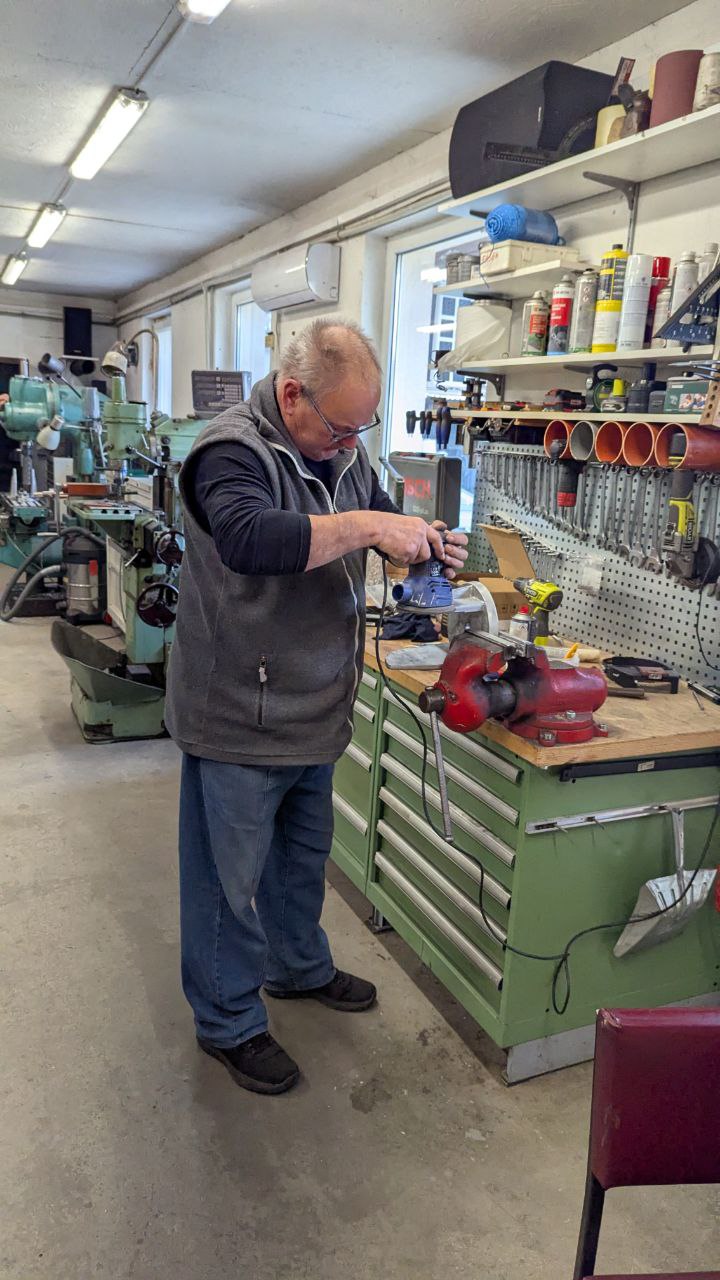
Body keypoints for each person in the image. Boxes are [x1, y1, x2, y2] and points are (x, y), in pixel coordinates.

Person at [165, 319, 468, 1095]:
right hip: (237, 714)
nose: (350, 444)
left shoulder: (345, 451)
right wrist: (370, 525)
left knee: (301, 861)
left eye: (363, 428)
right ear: (292, 394)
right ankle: (228, 1021)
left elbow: (380, 522)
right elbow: (249, 539)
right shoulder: (230, 450)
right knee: (226, 885)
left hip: (315, 706)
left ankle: (296, 967)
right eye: (339, 428)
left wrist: (421, 542)